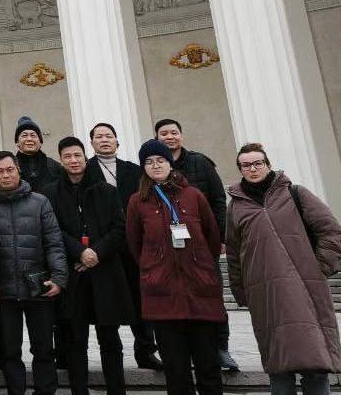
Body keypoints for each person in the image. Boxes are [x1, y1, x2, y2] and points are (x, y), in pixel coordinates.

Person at [226, 143, 341, 395]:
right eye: (246, 165)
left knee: (315, 361)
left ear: (268, 164)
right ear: (240, 169)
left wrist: (319, 268)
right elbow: (234, 254)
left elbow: (331, 231)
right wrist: (241, 291)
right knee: (278, 365)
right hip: (265, 293)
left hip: (305, 289)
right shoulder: (236, 206)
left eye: (257, 163)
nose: (252, 169)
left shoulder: (295, 193)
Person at [126, 139, 226, 395]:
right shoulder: (138, 201)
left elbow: (212, 238)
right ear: (143, 168)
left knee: (208, 368)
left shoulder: (194, 196)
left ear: (170, 164)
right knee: (176, 371)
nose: (155, 165)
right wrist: (154, 269)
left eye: (160, 160)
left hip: (199, 292)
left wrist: (200, 266)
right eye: (149, 162)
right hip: (163, 297)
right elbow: (135, 244)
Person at [45, 137, 132, 395]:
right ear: (61, 160)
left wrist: (96, 253)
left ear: (85, 157)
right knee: (75, 340)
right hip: (74, 274)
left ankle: (116, 390)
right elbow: (52, 231)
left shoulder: (106, 190)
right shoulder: (51, 193)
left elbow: (119, 229)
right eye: (67, 156)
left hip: (104, 272)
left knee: (110, 338)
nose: (73, 161)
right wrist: (80, 252)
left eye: (77, 155)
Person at [0, 150, 66, 395]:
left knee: (43, 348)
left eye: (10, 170)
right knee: (9, 351)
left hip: (38, 286)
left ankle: (45, 391)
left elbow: (53, 242)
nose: (5, 175)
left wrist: (59, 278)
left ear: (18, 170)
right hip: (3, 290)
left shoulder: (40, 202)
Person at [154, 118, 237, 372]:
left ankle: (221, 348)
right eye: (164, 133)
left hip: (201, 246)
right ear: (157, 138)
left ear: (181, 135)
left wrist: (220, 237)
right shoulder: (153, 167)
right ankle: (187, 350)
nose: (170, 137)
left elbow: (218, 200)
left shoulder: (200, 162)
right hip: (169, 250)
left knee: (211, 296)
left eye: (174, 132)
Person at [87, 121, 162, 371]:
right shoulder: (87, 171)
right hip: (103, 247)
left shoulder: (133, 170)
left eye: (109, 136)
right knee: (106, 304)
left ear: (117, 141)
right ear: (92, 143)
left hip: (132, 245)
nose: (104, 140)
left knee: (140, 299)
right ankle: (111, 354)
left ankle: (145, 350)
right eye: (99, 136)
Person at [13, 117, 62, 193]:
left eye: (33, 135)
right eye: (24, 135)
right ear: (17, 142)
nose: (29, 139)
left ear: (40, 142)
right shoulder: (11, 167)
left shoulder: (53, 166)